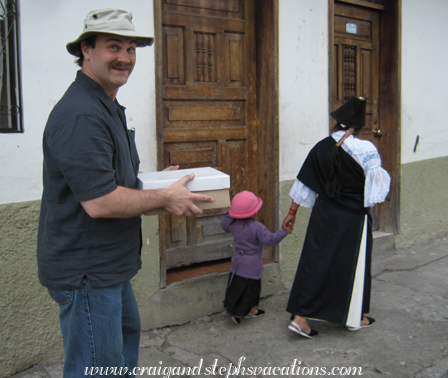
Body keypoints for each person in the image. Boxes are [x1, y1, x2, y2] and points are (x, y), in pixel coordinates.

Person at [37, 8, 214, 377]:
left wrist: (154, 183)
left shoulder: (106, 104)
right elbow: (100, 202)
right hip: (88, 273)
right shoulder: (81, 114)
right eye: (113, 46)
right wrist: (165, 199)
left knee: (118, 359)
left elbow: (109, 180)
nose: (125, 58)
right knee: (98, 370)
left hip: (109, 268)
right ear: (86, 50)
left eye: (131, 48)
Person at [282, 96, 391, 338]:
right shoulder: (366, 149)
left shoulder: (321, 146)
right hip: (352, 220)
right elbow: (376, 190)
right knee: (352, 265)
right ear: (359, 126)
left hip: (323, 215)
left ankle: (301, 317)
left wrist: (292, 214)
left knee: (316, 263)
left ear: (337, 123)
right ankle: (355, 317)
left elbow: (304, 183)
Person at [222, 191, 292, 324]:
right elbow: (270, 240)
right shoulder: (257, 227)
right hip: (252, 264)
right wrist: (284, 231)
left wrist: (231, 211)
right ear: (254, 212)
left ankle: (241, 309)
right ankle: (240, 312)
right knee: (250, 290)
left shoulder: (232, 224)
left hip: (237, 262)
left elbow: (224, 222)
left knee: (237, 287)